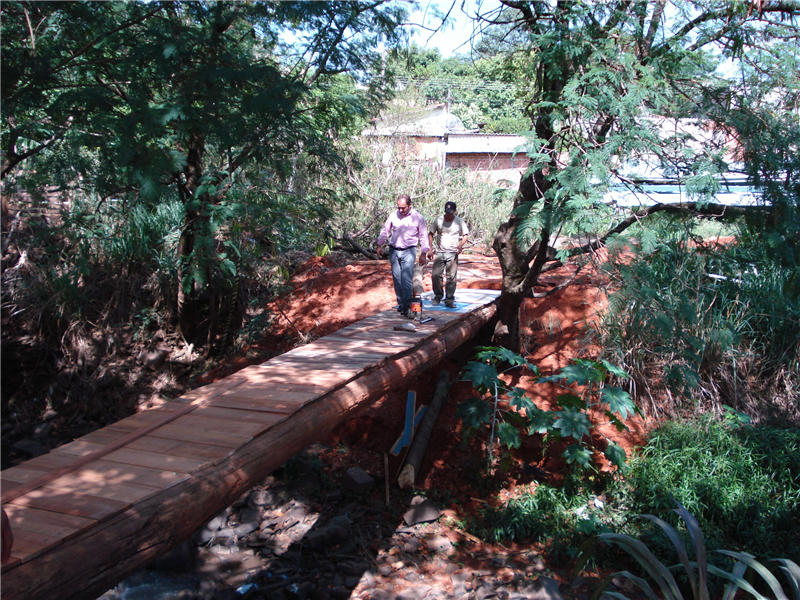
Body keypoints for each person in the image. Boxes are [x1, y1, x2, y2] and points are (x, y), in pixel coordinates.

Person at [376, 194, 429, 317]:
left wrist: (423, 253)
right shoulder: (394, 215)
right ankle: (401, 303)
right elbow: (385, 230)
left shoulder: (418, 217)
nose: (400, 210)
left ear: (409, 205)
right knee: (397, 279)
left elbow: (423, 235)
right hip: (394, 250)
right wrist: (379, 244)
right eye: (399, 207)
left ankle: (406, 306)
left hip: (409, 251)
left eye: (403, 207)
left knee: (406, 279)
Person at [427, 201, 469, 308]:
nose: (448, 215)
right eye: (447, 212)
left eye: (451, 212)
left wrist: (460, 245)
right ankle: (438, 295)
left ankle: (449, 299)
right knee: (436, 275)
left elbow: (465, 235)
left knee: (451, 277)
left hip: (452, 253)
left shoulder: (459, 221)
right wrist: (430, 249)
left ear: (454, 211)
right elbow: (431, 234)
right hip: (440, 252)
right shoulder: (439, 220)